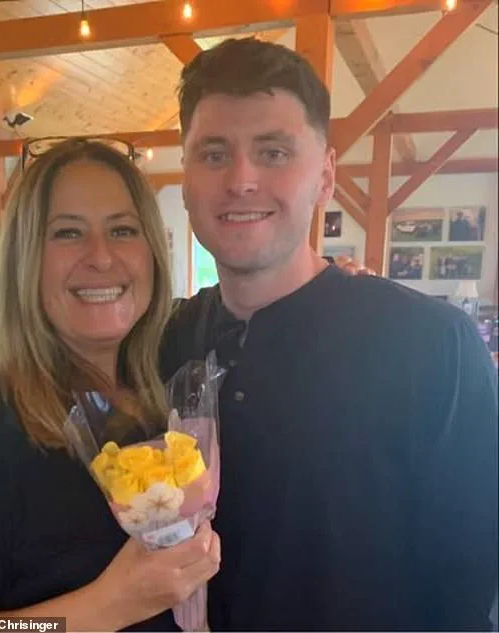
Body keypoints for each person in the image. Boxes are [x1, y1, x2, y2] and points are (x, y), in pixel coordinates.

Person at [159, 37, 498, 631]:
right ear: (185, 179)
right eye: (213, 154)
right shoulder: (167, 341)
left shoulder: (431, 345)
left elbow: (469, 583)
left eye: (273, 152)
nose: (241, 180)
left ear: (325, 176)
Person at [0, 140, 220, 629]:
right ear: (25, 261)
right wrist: (110, 603)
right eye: (67, 233)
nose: (101, 257)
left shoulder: (157, 395)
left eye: (123, 230)